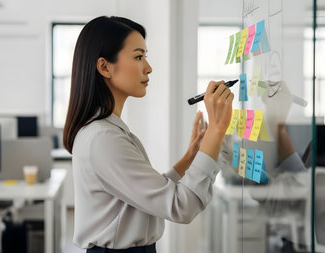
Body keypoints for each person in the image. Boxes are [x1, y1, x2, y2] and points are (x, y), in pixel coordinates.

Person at [63, 16, 234, 252]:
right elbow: (181, 206)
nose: (148, 67)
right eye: (138, 57)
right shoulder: (103, 138)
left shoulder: (106, 132)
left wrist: (190, 157)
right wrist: (217, 128)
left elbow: (145, 195)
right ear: (104, 67)